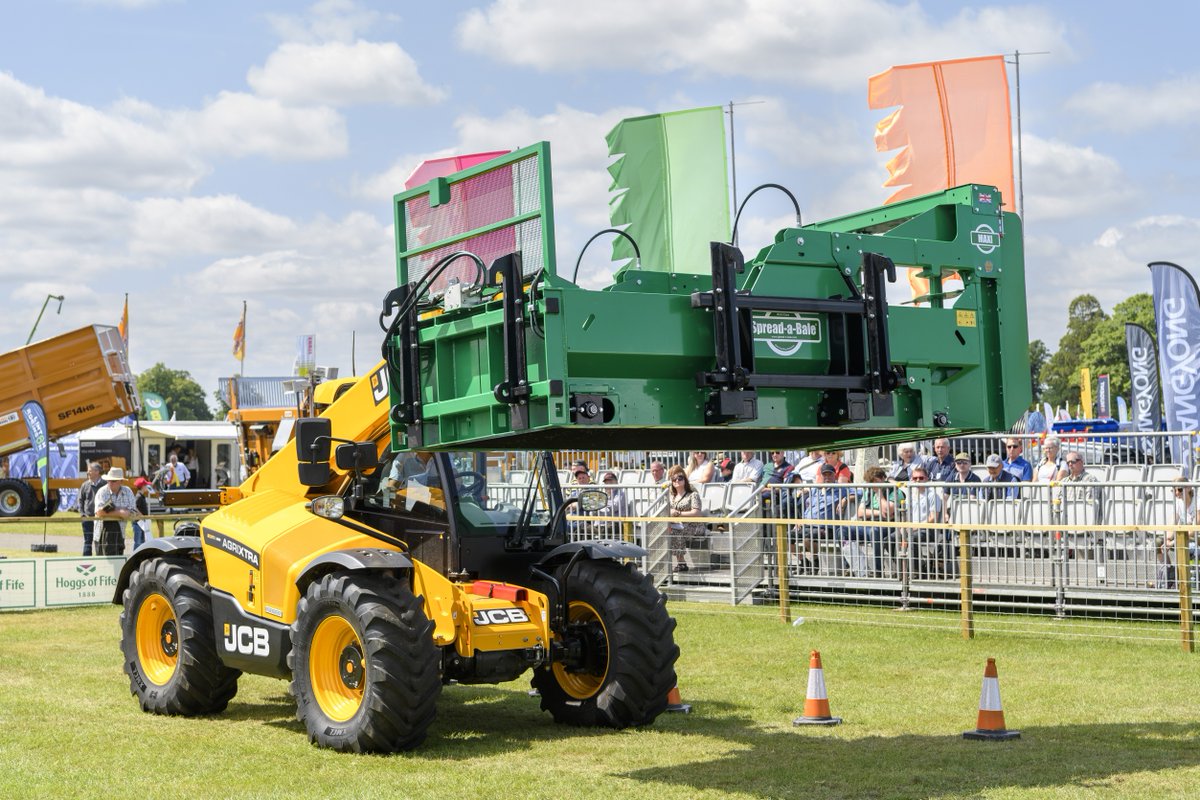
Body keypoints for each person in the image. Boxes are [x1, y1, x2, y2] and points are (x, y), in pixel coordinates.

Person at [852, 465, 902, 578]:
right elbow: (860, 512)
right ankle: (857, 567)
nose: (873, 484)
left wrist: (880, 493)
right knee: (843, 531)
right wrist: (879, 513)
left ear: (883, 478)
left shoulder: (893, 490)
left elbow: (888, 511)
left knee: (874, 532)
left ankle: (878, 570)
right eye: (871, 482)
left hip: (887, 525)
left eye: (876, 481)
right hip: (868, 523)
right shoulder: (868, 491)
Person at [906, 465, 948, 579]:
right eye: (915, 478)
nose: (918, 481)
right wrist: (903, 526)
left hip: (928, 530)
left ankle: (916, 571)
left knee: (912, 537)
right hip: (910, 527)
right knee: (888, 539)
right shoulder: (909, 494)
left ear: (927, 479)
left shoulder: (933, 495)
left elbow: (933, 518)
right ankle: (905, 569)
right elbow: (905, 514)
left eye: (921, 478)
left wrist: (916, 526)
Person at [666, 466, 703, 572]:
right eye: (674, 479)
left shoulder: (693, 495)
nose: (677, 480)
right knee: (665, 529)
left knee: (675, 531)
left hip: (694, 525)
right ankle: (663, 563)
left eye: (680, 478)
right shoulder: (671, 496)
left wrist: (678, 514)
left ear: (685, 479)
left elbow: (697, 512)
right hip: (677, 524)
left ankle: (681, 563)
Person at [94, 467, 136, 556]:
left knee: (118, 564)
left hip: (120, 535)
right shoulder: (102, 492)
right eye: (109, 480)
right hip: (101, 535)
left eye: (113, 481)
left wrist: (110, 511)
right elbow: (99, 512)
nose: (110, 483)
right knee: (102, 565)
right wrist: (121, 512)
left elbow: (132, 512)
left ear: (121, 481)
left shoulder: (128, 492)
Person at [77, 462, 103, 557]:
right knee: (88, 541)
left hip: (101, 518)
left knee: (100, 541)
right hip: (87, 518)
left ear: (97, 472)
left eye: (90, 470)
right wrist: (82, 514)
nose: (88, 472)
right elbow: (80, 500)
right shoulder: (84, 485)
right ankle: (86, 562)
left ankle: (100, 561)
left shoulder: (105, 484)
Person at [132, 477, 152, 550]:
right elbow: (134, 507)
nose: (147, 487)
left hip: (142, 522)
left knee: (142, 541)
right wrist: (141, 516)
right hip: (138, 522)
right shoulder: (138, 497)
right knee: (138, 542)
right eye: (146, 485)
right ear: (143, 486)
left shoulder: (141, 496)